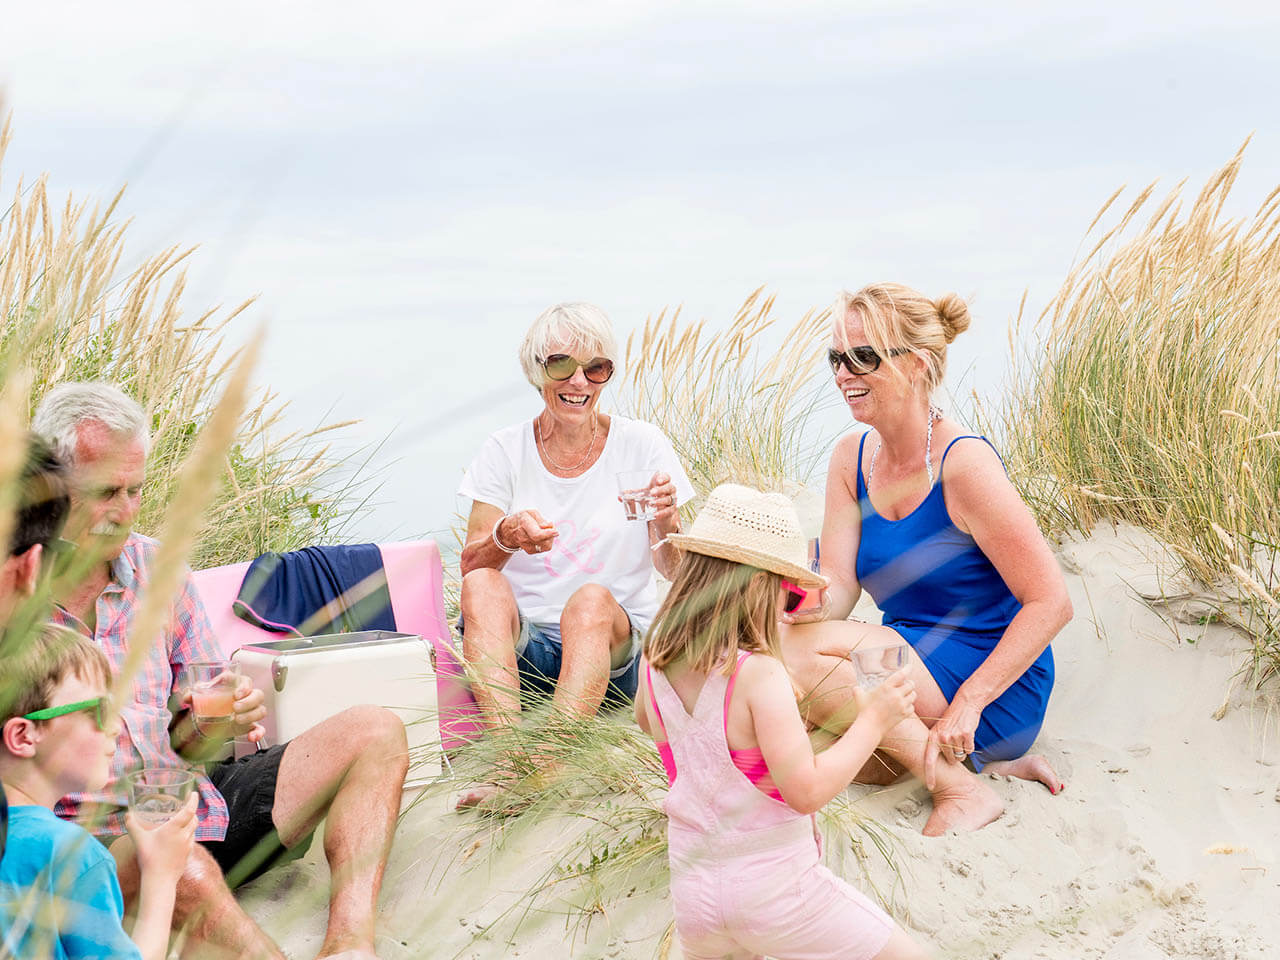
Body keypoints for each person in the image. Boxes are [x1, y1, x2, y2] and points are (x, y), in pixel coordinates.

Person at [33, 382, 410, 960]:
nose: (126, 512)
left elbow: (194, 740)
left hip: (197, 805)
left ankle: (349, 947)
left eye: (137, 490)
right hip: (95, 844)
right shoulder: (17, 588)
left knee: (375, 730)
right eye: (107, 492)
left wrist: (220, 719)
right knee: (182, 868)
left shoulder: (160, 569)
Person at [782, 283, 1073, 836]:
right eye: (836, 358)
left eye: (863, 357)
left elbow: (1051, 603)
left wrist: (969, 703)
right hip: (900, 664)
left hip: (988, 682)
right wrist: (800, 607)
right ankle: (985, 769)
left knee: (799, 660)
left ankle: (962, 790)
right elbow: (839, 584)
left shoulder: (963, 466)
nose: (844, 373)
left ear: (915, 365)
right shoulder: (850, 458)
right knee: (800, 725)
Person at [634, 483, 929, 960]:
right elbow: (806, 791)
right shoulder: (758, 674)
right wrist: (872, 721)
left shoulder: (656, 659)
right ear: (755, 587)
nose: (788, 611)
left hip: (695, 894)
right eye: (788, 596)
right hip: (776, 891)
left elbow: (653, 724)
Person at [456, 303, 693, 798]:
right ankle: (509, 757)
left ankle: (549, 763)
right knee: (483, 585)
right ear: (536, 370)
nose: (579, 381)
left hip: (614, 654)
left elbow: (675, 570)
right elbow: (471, 566)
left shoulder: (642, 445)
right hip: (529, 655)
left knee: (589, 600)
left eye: (596, 368)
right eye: (561, 364)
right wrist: (508, 535)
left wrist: (666, 522)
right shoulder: (505, 450)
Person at [1, 624, 198, 960]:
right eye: (99, 710)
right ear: (23, 736)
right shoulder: (69, 855)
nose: (117, 725)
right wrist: (162, 874)